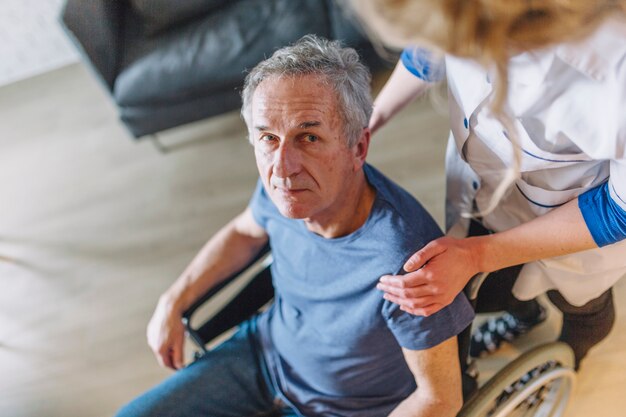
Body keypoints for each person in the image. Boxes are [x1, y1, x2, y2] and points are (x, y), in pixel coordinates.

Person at [115, 35, 474, 417]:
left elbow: (438, 399)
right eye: (268, 137)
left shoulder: (407, 259)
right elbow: (244, 233)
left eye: (309, 137)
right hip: (262, 357)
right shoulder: (280, 191)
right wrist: (173, 300)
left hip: (345, 408)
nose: (282, 168)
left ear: (358, 147)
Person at [350, 0, 626, 368]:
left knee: (579, 301)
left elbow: (620, 209)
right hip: (482, 186)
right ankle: (526, 316)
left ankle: (574, 351)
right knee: (501, 287)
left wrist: (478, 255)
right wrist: (368, 125)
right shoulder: (457, 16)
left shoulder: (613, 72)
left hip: (577, 228)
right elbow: (428, 49)